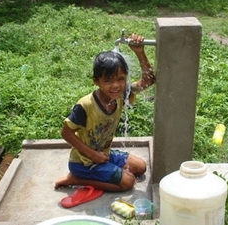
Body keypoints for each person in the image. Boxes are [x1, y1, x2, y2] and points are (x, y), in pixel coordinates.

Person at [55, 33, 155, 192]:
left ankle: (105, 167)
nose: (115, 85)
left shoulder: (122, 94)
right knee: (128, 182)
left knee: (140, 167)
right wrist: (93, 155)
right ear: (96, 81)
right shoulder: (86, 105)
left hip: (104, 153)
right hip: (83, 162)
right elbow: (66, 133)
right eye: (108, 81)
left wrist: (139, 52)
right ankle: (75, 178)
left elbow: (148, 81)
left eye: (121, 79)